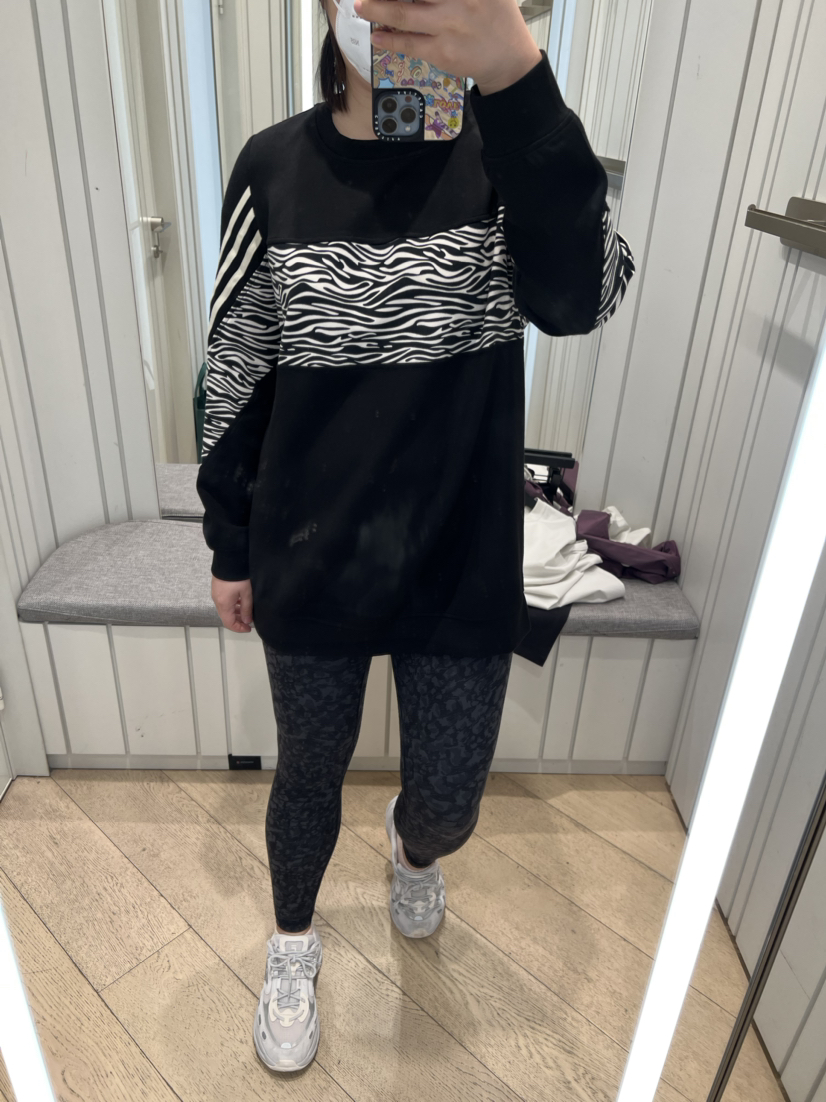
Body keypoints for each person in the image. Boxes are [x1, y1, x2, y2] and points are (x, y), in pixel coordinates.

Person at [196, 0, 635, 1075]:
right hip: (313, 551)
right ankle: (292, 942)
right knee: (309, 772)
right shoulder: (272, 168)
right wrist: (228, 541)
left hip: (457, 553)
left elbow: (582, 299)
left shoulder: (501, 155)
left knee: (450, 804)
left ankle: (410, 845)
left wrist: (520, 79)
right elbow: (235, 370)